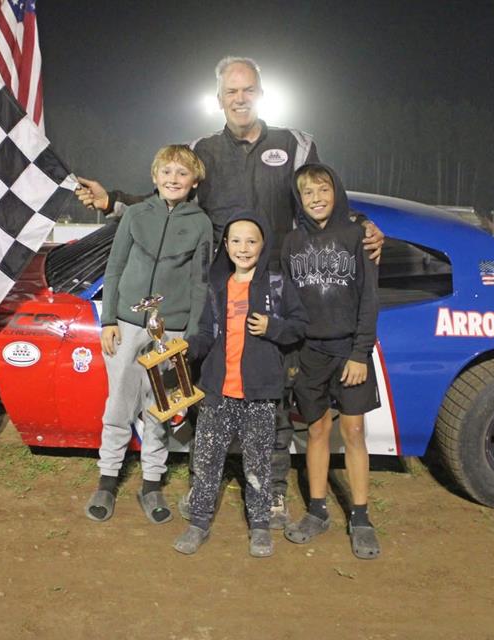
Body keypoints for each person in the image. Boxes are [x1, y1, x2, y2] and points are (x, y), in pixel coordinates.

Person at [76, 56, 385, 528]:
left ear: (261, 92)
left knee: (273, 395)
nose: (240, 99)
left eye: (248, 90)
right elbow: (167, 198)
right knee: (210, 388)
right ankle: (207, 485)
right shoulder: (204, 149)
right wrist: (113, 200)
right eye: (230, 92)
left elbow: (322, 196)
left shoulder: (296, 143)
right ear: (219, 99)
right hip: (220, 291)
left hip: (277, 290)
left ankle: (274, 493)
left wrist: (362, 225)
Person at [85, 145, 213, 525]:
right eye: (167, 172)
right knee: (119, 405)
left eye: (182, 174)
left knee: (162, 408)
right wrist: (108, 319)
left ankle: (152, 482)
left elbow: (200, 282)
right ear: (155, 177)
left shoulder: (201, 223)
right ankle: (107, 481)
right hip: (126, 322)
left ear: (194, 182)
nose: (173, 179)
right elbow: (115, 265)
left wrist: (190, 335)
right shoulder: (136, 215)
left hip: (170, 329)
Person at [173, 210, 307, 556]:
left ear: (264, 245)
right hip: (217, 391)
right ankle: (199, 521)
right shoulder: (216, 286)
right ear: (226, 245)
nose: (243, 248)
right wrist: (188, 349)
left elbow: (299, 327)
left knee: (259, 462)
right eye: (235, 241)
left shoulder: (277, 284)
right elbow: (205, 333)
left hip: (259, 393)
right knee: (206, 460)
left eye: (251, 241)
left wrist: (273, 328)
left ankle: (260, 526)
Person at [281, 163, 381, 560]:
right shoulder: (291, 243)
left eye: (323, 190)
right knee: (317, 431)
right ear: (300, 200)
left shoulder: (358, 235)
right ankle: (317, 510)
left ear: (336, 192)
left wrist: (360, 353)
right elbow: (288, 302)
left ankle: (360, 516)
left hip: (348, 351)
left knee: (354, 433)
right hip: (310, 353)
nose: (317, 199)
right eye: (308, 193)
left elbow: (369, 300)